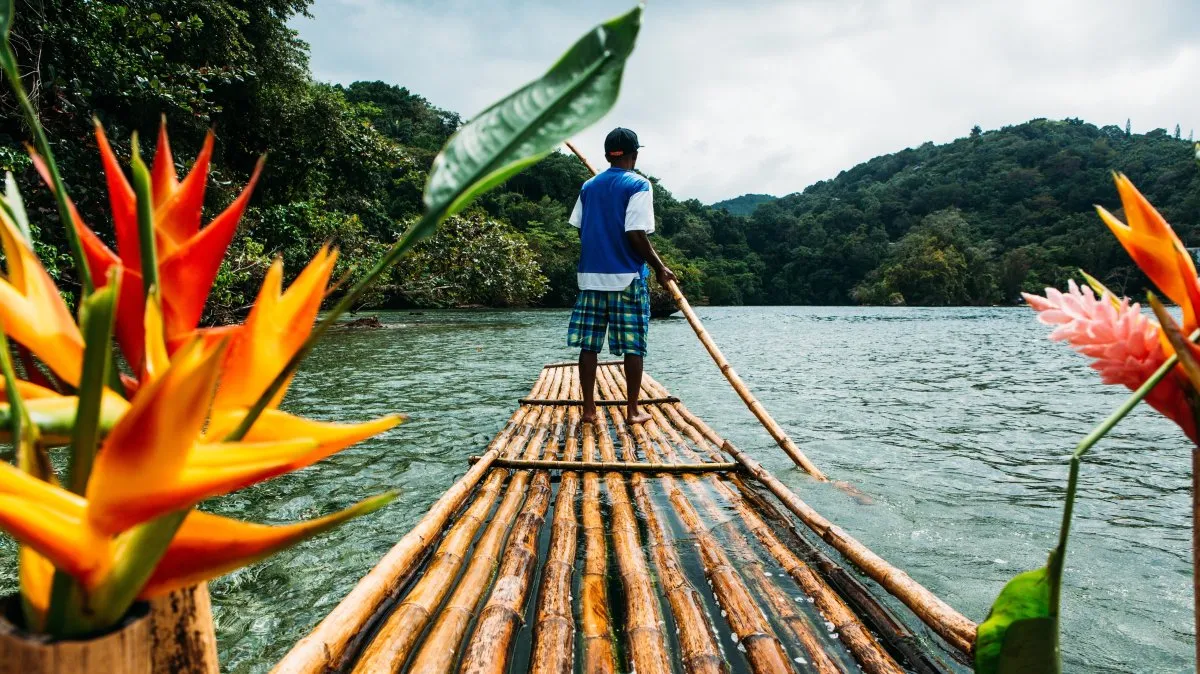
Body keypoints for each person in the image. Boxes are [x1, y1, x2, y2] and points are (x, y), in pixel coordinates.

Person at [567, 127, 675, 425]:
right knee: (633, 346)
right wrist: (659, 267)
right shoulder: (638, 184)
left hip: (590, 277)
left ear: (606, 155)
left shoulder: (589, 186)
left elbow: (579, 225)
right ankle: (632, 410)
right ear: (634, 155)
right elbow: (636, 234)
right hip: (626, 277)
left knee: (589, 346)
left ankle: (589, 411)